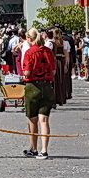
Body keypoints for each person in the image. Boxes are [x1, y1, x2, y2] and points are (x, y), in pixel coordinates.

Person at [18, 29, 57, 159]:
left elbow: (27, 73)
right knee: (44, 120)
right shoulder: (48, 51)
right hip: (47, 86)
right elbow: (54, 71)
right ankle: (44, 150)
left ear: (29, 38)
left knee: (32, 119)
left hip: (33, 86)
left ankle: (34, 148)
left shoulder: (30, 52)